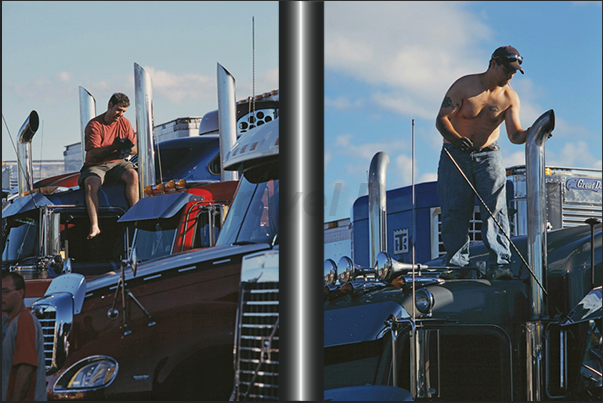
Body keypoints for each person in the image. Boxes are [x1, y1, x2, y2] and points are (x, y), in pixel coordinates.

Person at [435, 46, 529, 280]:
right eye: (507, 70)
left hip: (489, 155)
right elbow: (442, 120)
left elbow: (514, 135)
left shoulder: (509, 97)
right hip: (455, 154)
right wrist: (458, 140)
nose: (510, 76)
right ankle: (457, 266)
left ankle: (500, 263)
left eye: (515, 72)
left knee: (496, 208)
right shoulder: (465, 86)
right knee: (455, 209)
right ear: (494, 64)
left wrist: (535, 132)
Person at [78, 93, 139, 239]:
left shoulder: (125, 123)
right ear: (110, 105)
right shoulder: (95, 125)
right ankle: (95, 225)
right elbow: (93, 154)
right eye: (118, 110)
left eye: (124, 111)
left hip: (118, 162)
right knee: (91, 186)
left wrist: (127, 148)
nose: (121, 114)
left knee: (133, 175)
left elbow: (135, 148)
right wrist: (113, 147)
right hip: (97, 164)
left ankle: (136, 216)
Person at [2, 271, 46, 401]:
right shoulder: (7, 322)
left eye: (5, 291)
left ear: (20, 293)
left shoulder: (24, 321)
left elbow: (26, 368)